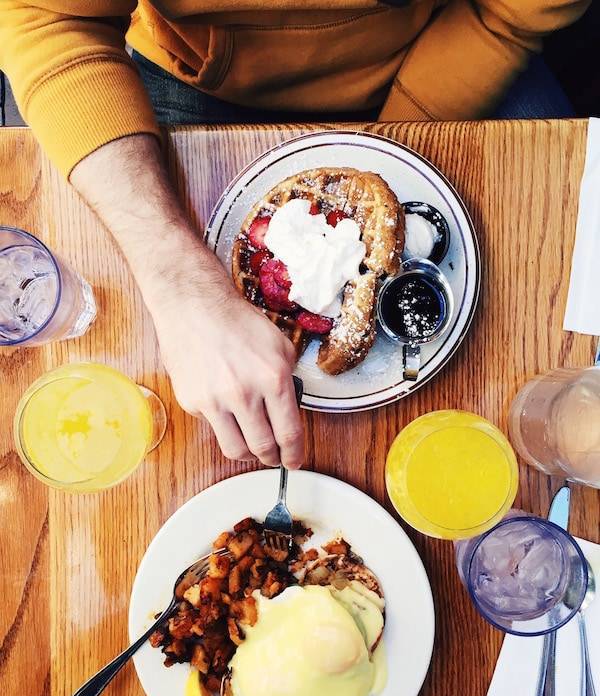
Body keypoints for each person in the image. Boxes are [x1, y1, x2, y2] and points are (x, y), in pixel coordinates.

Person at [0, 0, 589, 470]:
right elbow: (48, 20)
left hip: (439, 44)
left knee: (555, 276)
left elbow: (513, 12)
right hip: (200, 71)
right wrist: (178, 284)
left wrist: (394, 133)